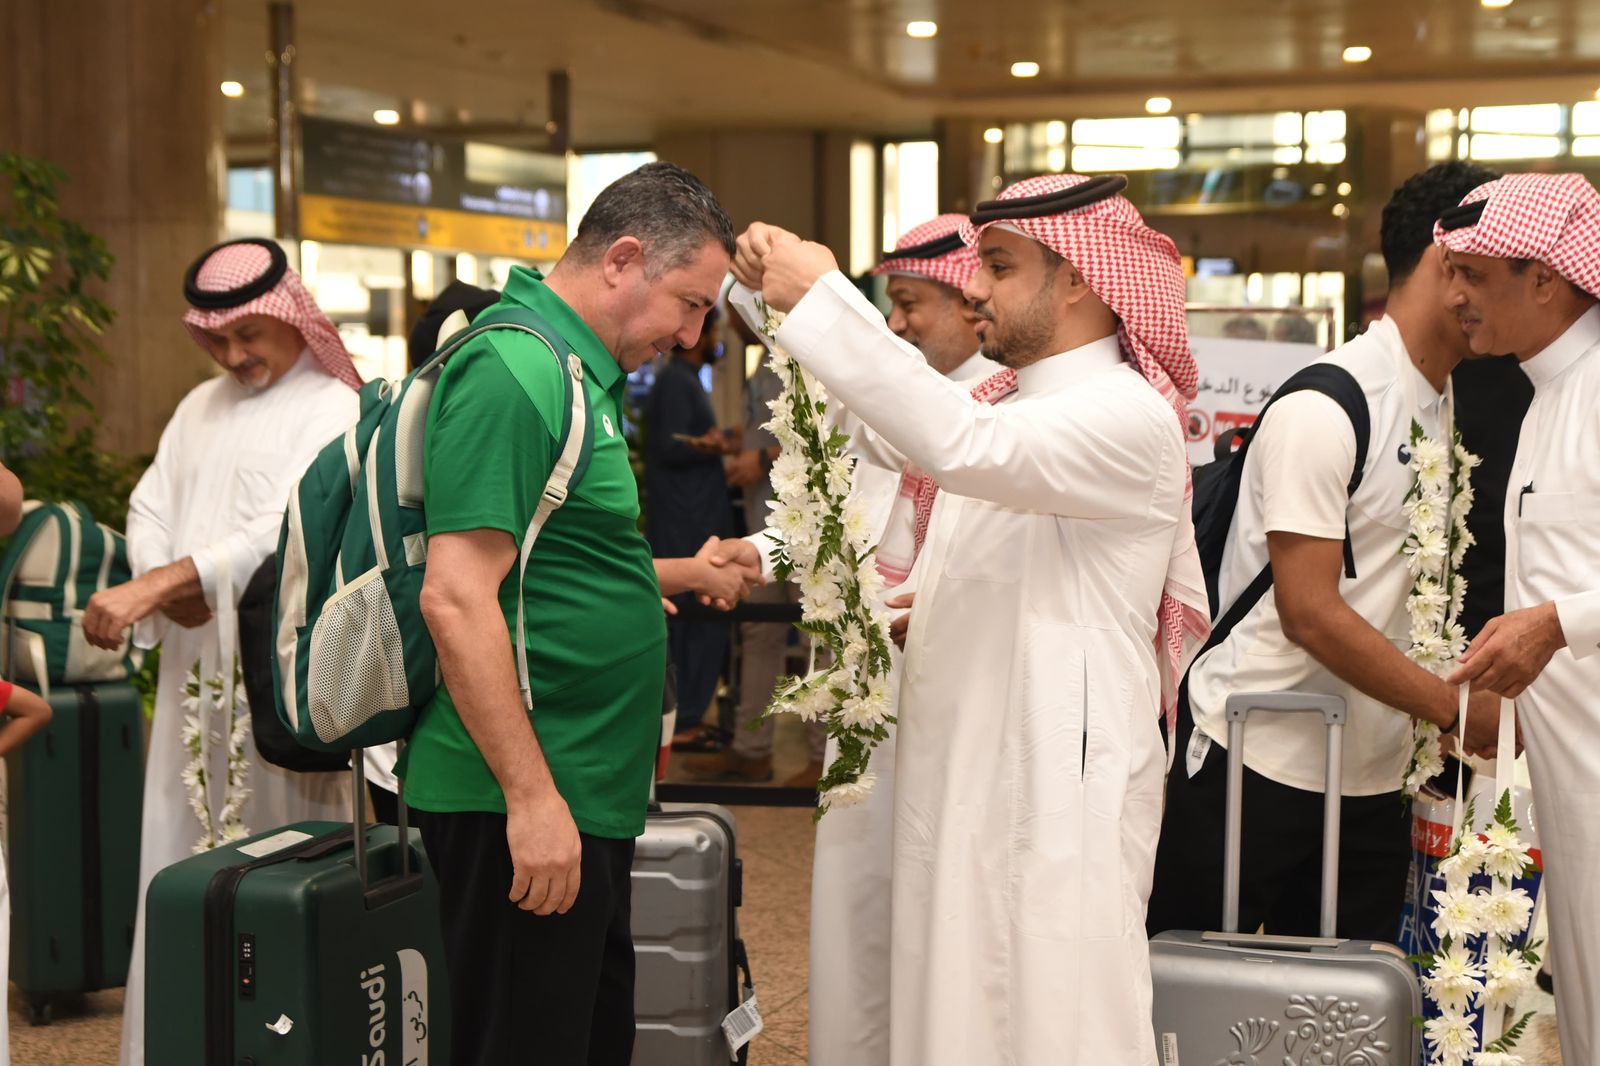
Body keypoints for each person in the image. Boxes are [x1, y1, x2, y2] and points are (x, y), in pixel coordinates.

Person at [731, 173, 1211, 1065]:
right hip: (965, 767)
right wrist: (766, 298)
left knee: (1050, 1014)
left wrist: (826, 297)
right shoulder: (1010, 409)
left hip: (1055, 779)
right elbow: (903, 436)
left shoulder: (1124, 413)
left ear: (1079, 278)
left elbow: (959, 445)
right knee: (950, 999)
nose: (977, 288)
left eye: (998, 266)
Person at [397, 161, 744, 1066]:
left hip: (578, 785)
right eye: (690, 303)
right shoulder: (517, 370)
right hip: (517, 791)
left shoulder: (571, 369)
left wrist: (678, 572)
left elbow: (551, 558)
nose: (692, 335)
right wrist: (530, 798)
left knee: (584, 1038)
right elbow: (456, 595)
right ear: (623, 259)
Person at [1146, 163, 1506, 944]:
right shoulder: (1329, 403)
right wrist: (1453, 709)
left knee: (1345, 1004)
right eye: (1502, 264)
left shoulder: (1441, 397)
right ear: (1450, 262)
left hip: (1373, 773)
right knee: (1193, 991)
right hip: (1257, 753)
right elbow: (1308, 611)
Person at [715, 213, 999, 1065]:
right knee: (858, 896)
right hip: (870, 696)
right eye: (890, 305)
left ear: (970, 303)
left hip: (963, 699)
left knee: (941, 904)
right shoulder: (896, 387)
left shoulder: (1004, 408)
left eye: (911, 304)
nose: (897, 323)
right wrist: (762, 551)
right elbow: (848, 512)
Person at [77, 238, 363, 1066]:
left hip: (280, 681)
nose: (234, 356)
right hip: (192, 675)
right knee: (175, 853)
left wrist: (174, 581)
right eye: (217, 340)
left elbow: (287, 529)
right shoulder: (198, 407)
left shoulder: (333, 409)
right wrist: (166, 585)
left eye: (249, 335)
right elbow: (149, 507)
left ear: (292, 317)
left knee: (283, 861)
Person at [1438, 170, 1600, 1066]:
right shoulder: (1548, 392)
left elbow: (1563, 609)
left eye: (1473, 274)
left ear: (1544, 277)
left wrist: (1557, 625)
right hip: (1570, 785)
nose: (1453, 297)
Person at [644, 305, 736, 749]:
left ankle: (689, 714)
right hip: (687, 519)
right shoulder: (675, 382)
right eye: (713, 329)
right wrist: (711, 445)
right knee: (694, 619)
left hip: (693, 513)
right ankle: (685, 717)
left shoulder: (684, 380)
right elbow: (670, 446)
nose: (716, 338)